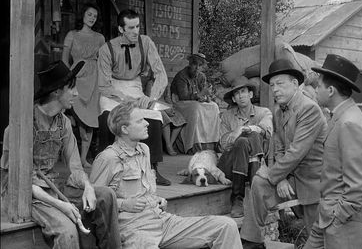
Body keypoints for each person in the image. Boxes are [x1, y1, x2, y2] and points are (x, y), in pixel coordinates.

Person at [0, 61, 121, 249]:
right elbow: (22, 182)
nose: (77, 94)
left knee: (106, 195)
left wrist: (88, 186)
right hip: (23, 194)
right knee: (67, 229)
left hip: (52, 186)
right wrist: (61, 205)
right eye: (72, 89)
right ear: (57, 91)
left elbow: (75, 167)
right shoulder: (21, 124)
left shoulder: (63, 122)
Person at [90, 101, 243, 249]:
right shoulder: (108, 158)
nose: (147, 123)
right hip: (134, 229)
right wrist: (124, 204)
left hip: (161, 220)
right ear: (124, 129)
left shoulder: (144, 150)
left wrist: (156, 199)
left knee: (226, 226)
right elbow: (93, 200)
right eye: (140, 120)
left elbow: (144, 190)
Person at [246, 59, 327, 247]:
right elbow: (279, 147)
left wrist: (273, 175)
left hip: (313, 179)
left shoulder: (309, 109)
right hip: (290, 177)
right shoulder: (277, 110)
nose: (274, 89)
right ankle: (254, 240)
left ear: (295, 84)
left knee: (317, 237)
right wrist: (280, 178)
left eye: (280, 84)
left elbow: (296, 152)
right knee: (258, 182)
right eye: (272, 85)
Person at [303, 54, 362, 249]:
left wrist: (337, 216)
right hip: (328, 213)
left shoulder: (349, 123)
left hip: (344, 219)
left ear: (331, 90)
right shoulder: (340, 116)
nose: (315, 90)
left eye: (318, 86)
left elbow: (358, 185)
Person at [97, 9, 170, 186]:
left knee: (154, 115)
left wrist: (151, 98)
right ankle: (108, 166)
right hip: (114, 89)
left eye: (137, 26)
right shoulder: (107, 49)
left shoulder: (146, 43)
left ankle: (152, 168)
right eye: (130, 28)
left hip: (135, 85)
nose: (135, 31)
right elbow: (104, 84)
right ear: (121, 29)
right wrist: (126, 100)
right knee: (109, 115)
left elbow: (161, 74)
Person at [218, 76, 273, 218]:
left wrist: (241, 129)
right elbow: (224, 145)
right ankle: (257, 194)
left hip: (246, 168)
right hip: (231, 165)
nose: (241, 95)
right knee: (243, 141)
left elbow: (267, 131)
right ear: (234, 99)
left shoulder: (263, 112)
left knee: (246, 138)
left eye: (243, 91)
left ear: (251, 94)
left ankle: (237, 198)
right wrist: (237, 136)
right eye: (237, 93)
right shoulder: (227, 116)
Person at [62, 3, 105, 168]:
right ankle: (69, 155)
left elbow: (104, 61)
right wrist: (68, 77)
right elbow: (65, 59)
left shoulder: (100, 38)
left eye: (95, 15)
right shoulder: (72, 35)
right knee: (76, 117)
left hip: (94, 79)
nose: (92, 18)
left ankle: (83, 158)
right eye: (89, 14)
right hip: (76, 77)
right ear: (83, 15)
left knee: (91, 117)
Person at [170, 53, 220, 154]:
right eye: (194, 64)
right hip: (180, 104)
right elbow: (183, 96)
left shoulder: (201, 76)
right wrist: (200, 95)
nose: (197, 68)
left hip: (195, 103)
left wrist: (206, 97)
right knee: (196, 107)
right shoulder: (181, 76)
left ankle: (212, 143)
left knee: (214, 106)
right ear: (190, 64)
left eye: (200, 66)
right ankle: (194, 144)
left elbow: (204, 94)